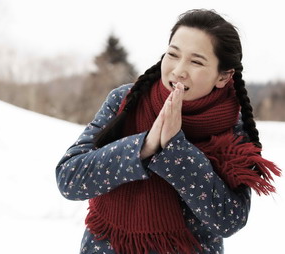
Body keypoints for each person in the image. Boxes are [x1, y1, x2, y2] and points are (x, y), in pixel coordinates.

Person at [55, 9, 281, 254]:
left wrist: (175, 148)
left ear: (224, 77)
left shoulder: (232, 129)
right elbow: (69, 179)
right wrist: (144, 146)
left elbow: (229, 220)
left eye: (196, 61)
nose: (178, 70)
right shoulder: (126, 101)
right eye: (173, 54)